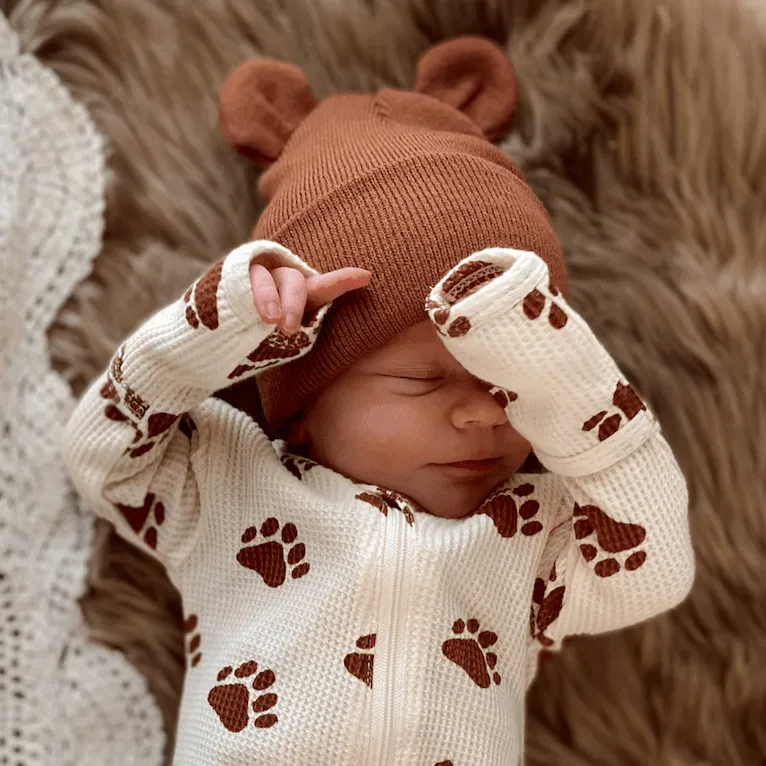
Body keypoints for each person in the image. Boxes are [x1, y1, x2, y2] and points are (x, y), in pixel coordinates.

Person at [65, 36, 695, 766]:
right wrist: (229, 322)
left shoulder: (529, 534)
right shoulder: (226, 482)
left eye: (512, 383)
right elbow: (103, 454)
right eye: (425, 380)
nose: (487, 413)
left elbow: (656, 567)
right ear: (304, 395)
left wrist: (554, 363)